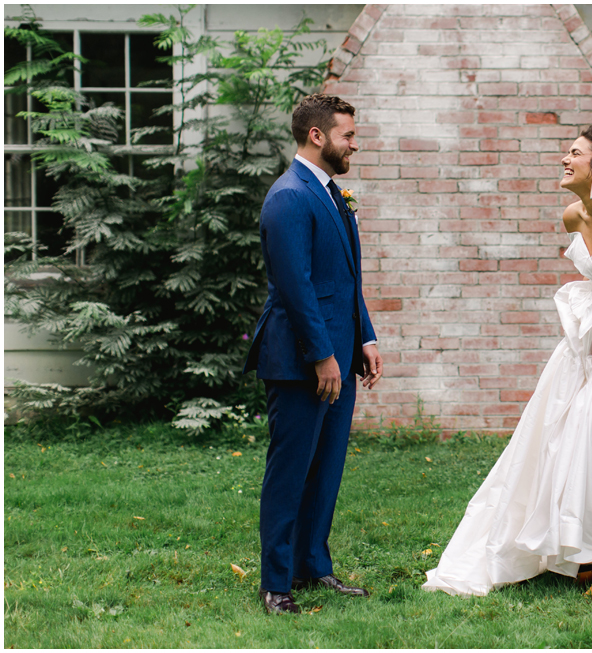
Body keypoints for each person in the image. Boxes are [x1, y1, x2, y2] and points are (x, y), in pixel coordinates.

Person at [422, 123, 592, 597]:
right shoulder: (573, 217)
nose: (565, 159)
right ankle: (584, 546)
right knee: (560, 428)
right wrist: (590, 330)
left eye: (574, 153)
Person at [243, 94, 383, 614]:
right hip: (301, 360)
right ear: (317, 136)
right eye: (347, 134)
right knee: (290, 471)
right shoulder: (288, 197)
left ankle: (312, 568)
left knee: (324, 471)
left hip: (338, 356)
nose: (354, 143)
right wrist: (323, 354)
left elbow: (344, 279)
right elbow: (295, 286)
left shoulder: (329, 193)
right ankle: (275, 584)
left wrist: (364, 338)